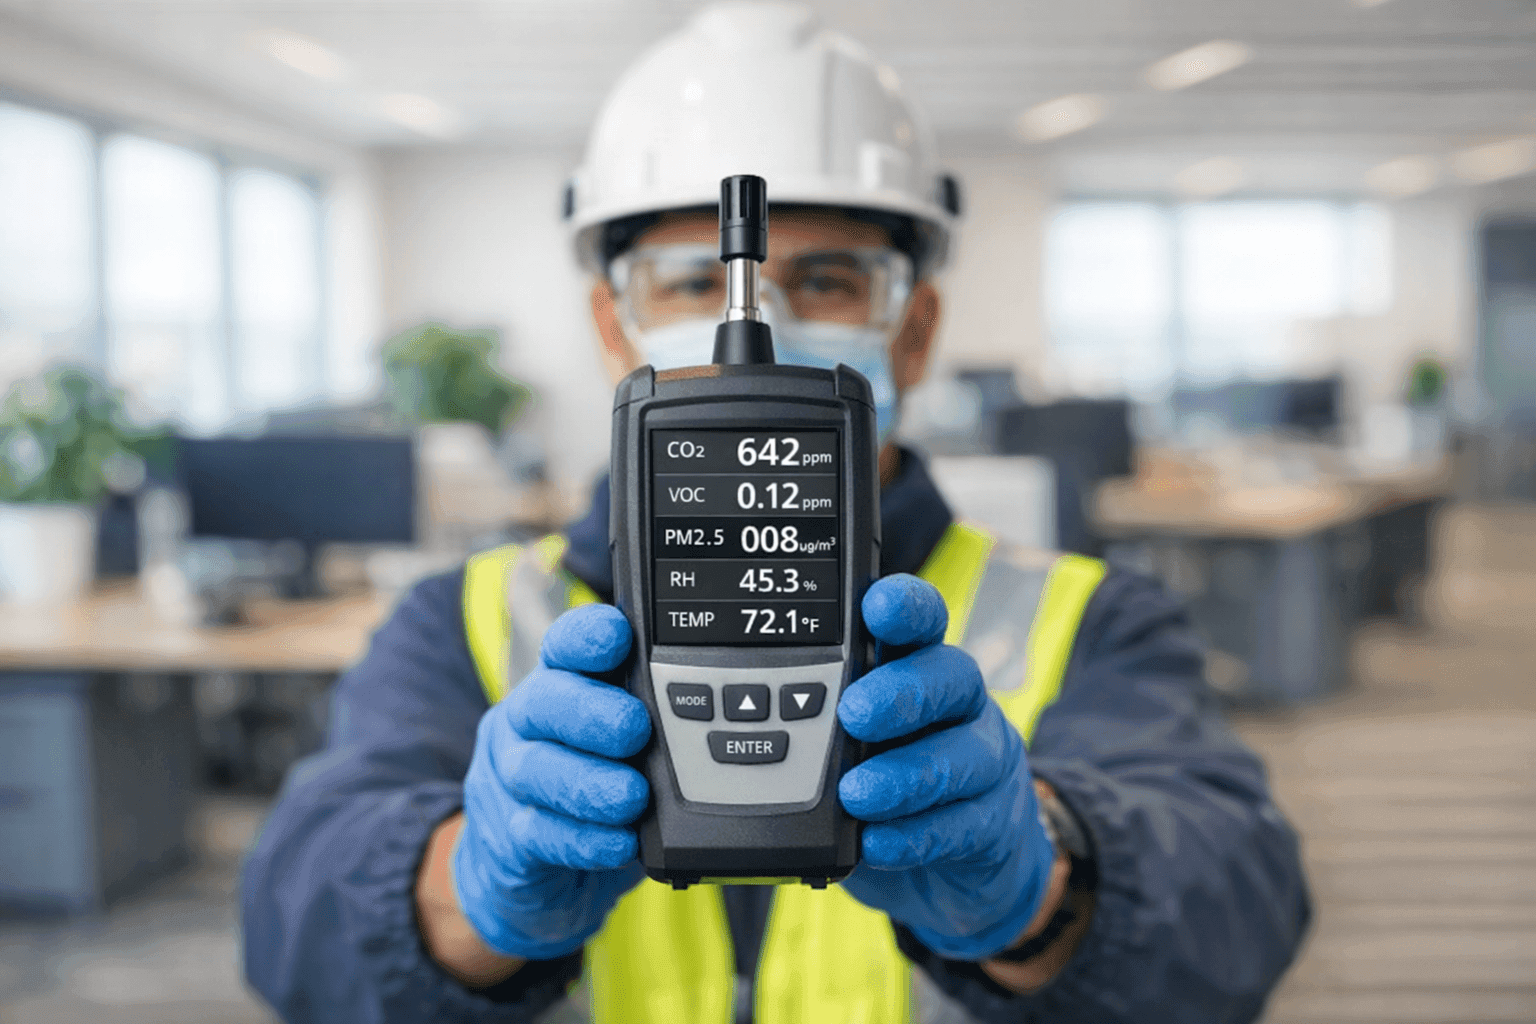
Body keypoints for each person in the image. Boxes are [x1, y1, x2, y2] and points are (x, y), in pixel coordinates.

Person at [241, 4, 1310, 1022]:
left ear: (916, 330)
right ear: (616, 331)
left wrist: (1044, 885)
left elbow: (1241, 913)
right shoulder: (461, 617)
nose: (763, 319)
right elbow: (292, 926)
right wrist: (460, 895)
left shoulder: (1093, 615)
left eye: (834, 279)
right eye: (689, 279)